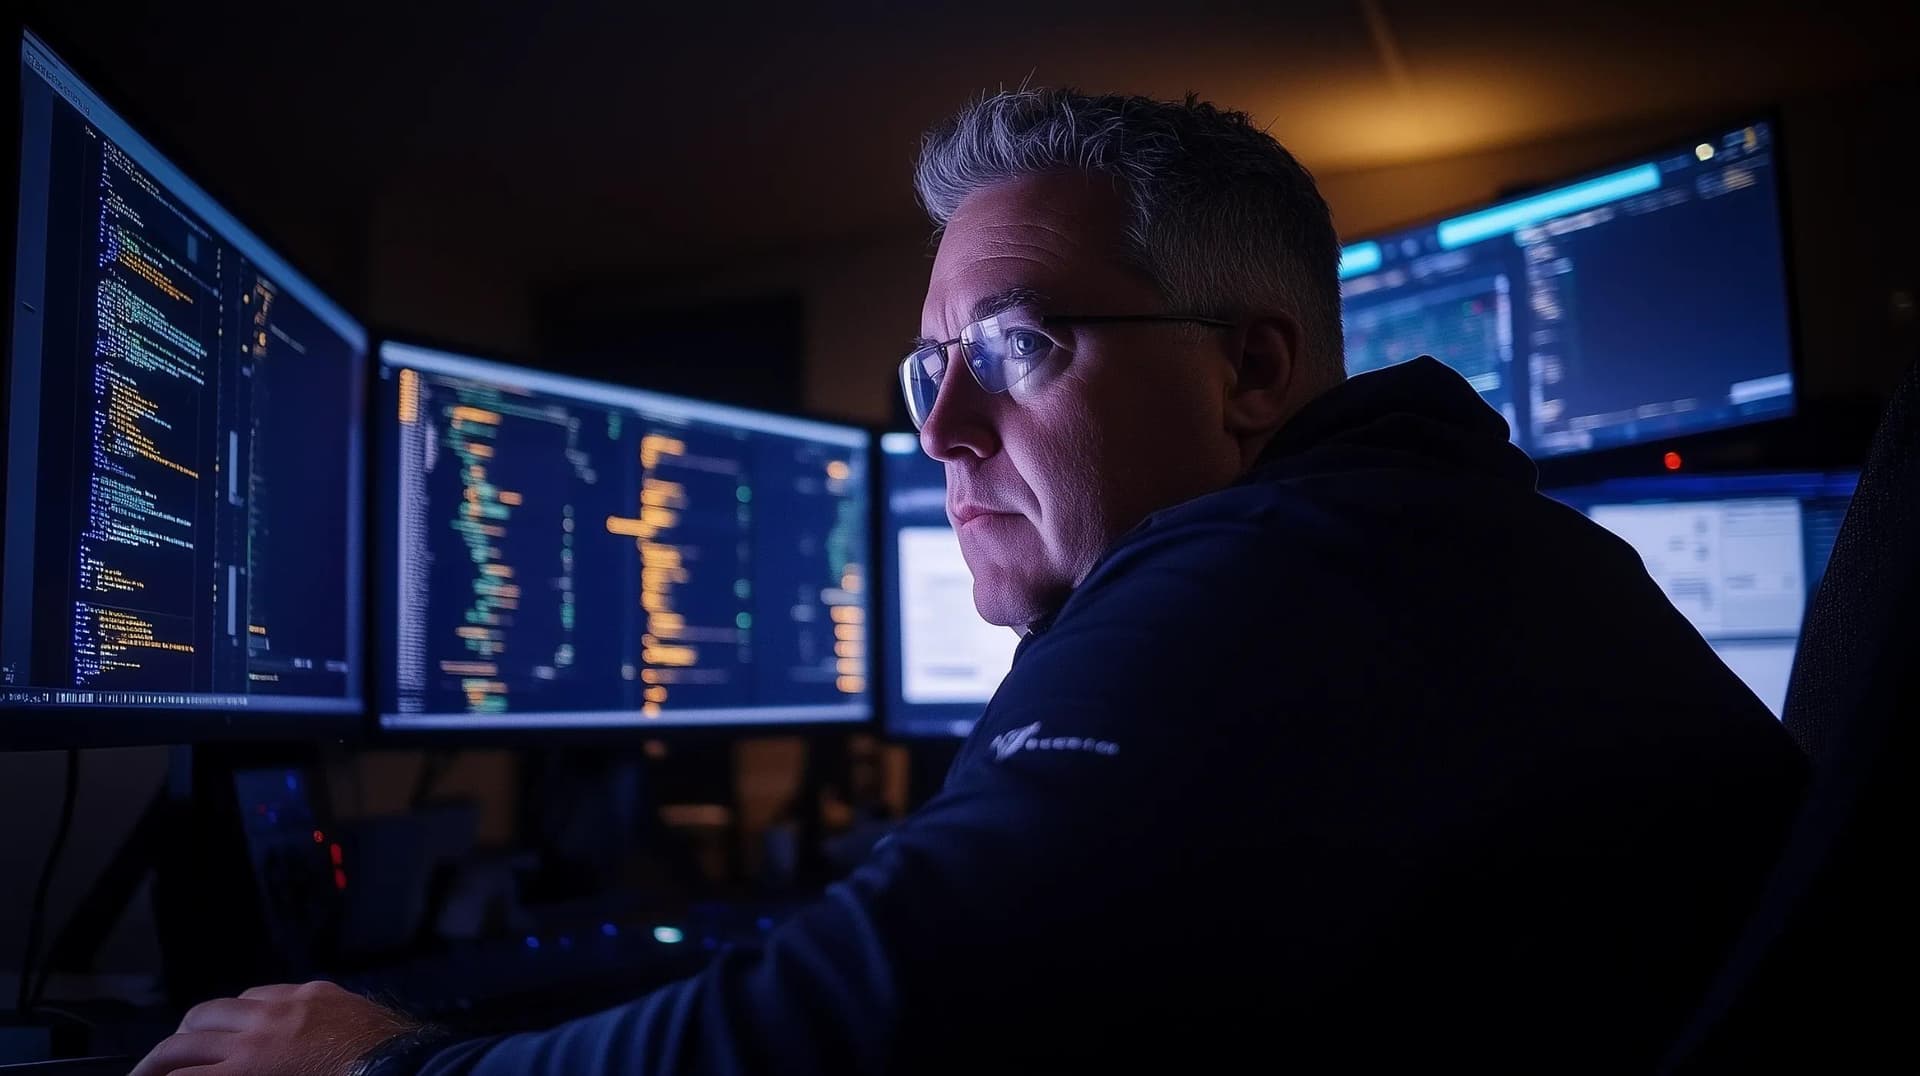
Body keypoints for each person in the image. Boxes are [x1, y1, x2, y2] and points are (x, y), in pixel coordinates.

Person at [132, 89, 1808, 1076]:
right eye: (929, 364)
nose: (944, 426)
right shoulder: (1416, 541)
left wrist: (388, 1061)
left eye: (1014, 343)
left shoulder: (1280, 573)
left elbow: (854, 1031)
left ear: (1252, 369)